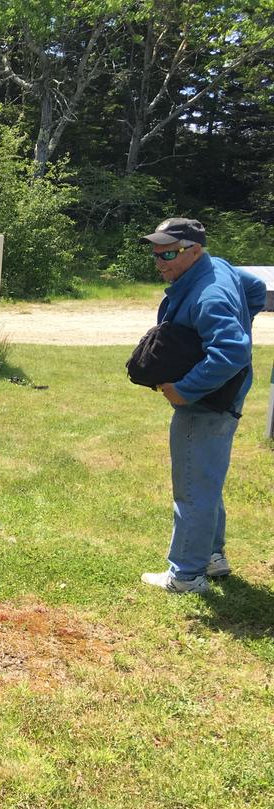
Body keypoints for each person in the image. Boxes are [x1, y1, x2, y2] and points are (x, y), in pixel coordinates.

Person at [138, 217, 266, 594]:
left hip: (209, 400)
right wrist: (244, 318)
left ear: (195, 251)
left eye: (171, 253)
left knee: (192, 485)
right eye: (157, 253)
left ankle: (187, 575)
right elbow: (256, 289)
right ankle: (211, 556)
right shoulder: (218, 266)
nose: (161, 261)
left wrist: (186, 389)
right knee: (205, 476)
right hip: (226, 394)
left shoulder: (208, 294)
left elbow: (232, 351)